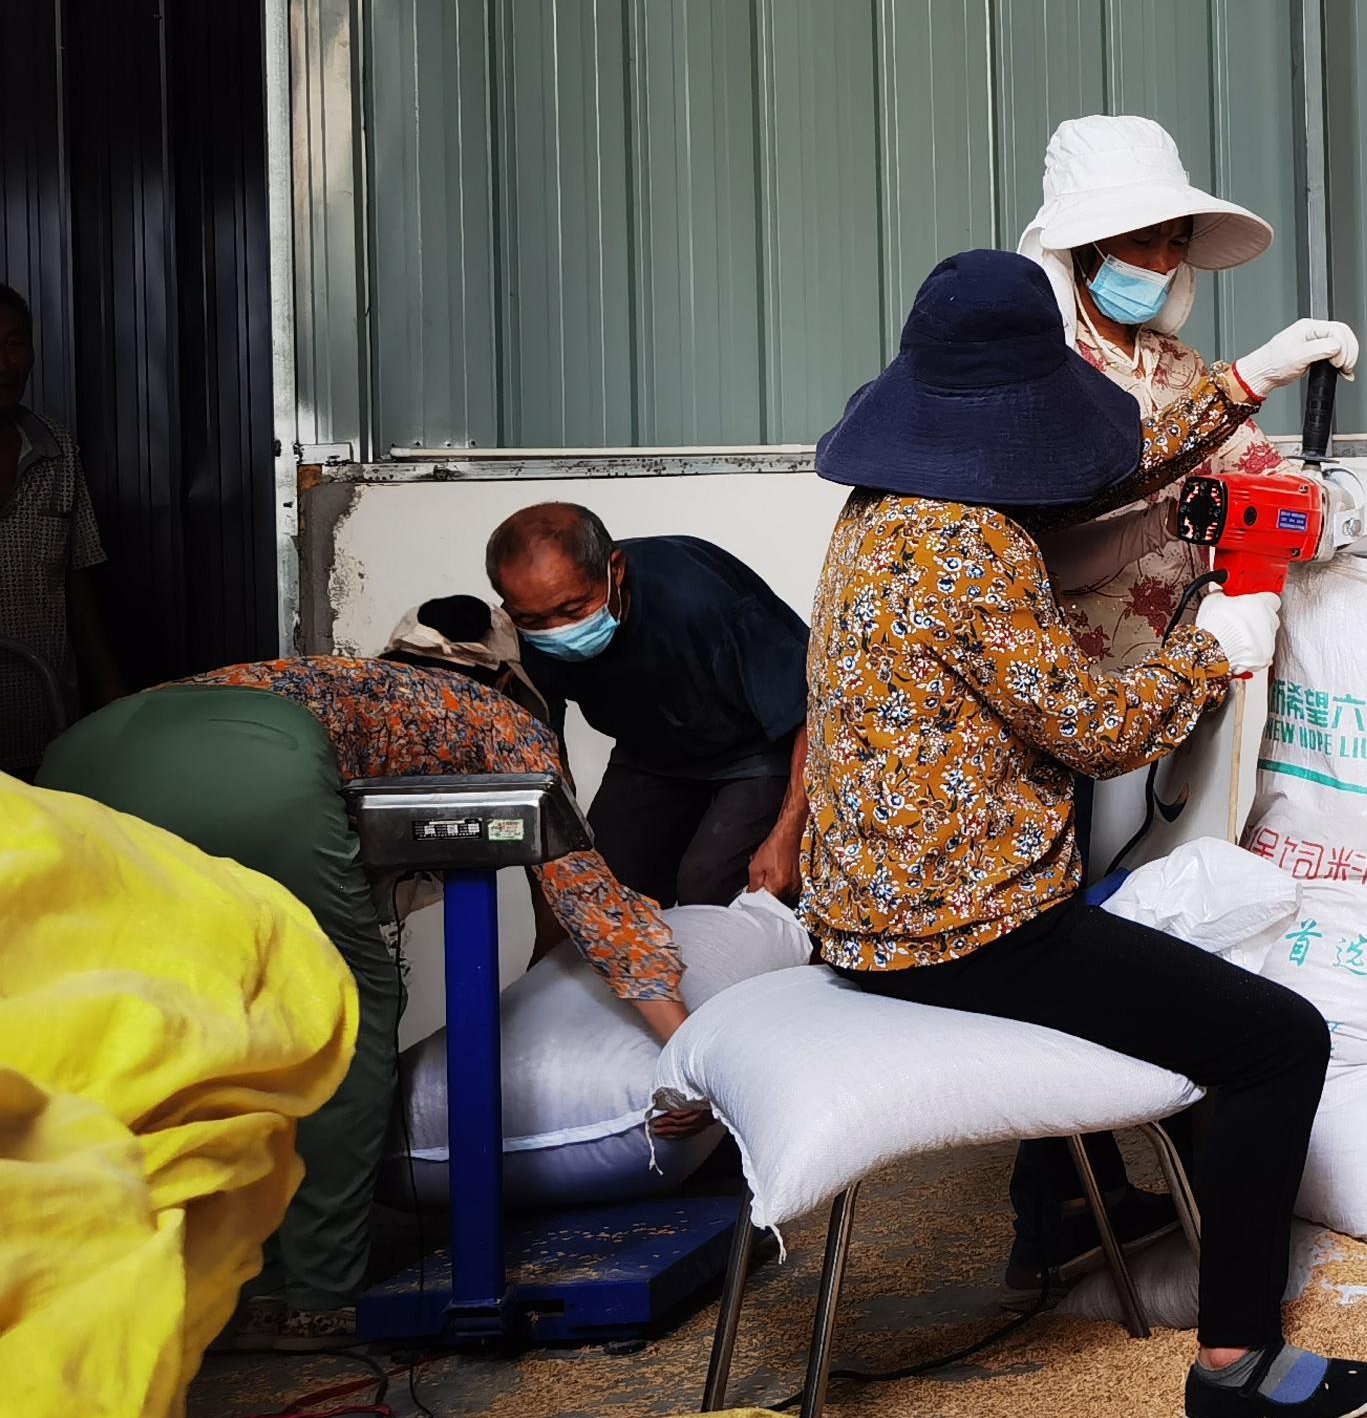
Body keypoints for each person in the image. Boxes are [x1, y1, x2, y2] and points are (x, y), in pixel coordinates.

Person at [800, 248, 1367, 1418]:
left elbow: (1092, 482)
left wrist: (1244, 382)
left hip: (865, 911)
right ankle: (1236, 1366)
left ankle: (1106, 1216)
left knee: (1178, 972)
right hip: (965, 932)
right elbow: (1101, 733)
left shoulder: (883, 512)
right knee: (1278, 1040)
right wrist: (1218, 646)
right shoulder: (971, 550)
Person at [39, 605, 694, 1342]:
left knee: (176, 1019)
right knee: (347, 1003)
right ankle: (317, 1294)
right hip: (246, 760)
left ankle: (188, 1281)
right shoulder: (495, 714)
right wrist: (691, 1062)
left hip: (81, 760)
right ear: (509, 676)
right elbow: (592, 904)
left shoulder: (343, 685)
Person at [1016, 114, 1352, 662]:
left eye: (1177, 242)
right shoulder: (1044, 371)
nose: (1161, 263)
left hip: (1193, 656)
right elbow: (1043, 547)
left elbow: (1262, 474)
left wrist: (1338, 506)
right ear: (1082, 244)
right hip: (1087, 674)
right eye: (1142, 239)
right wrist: (1253, 376)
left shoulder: (1180, 366)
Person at [486, 502, 812, 906]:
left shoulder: (701, 600)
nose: (557, 631)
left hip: (756, 753)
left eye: (573, 610)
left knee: (709, 886)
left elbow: (812, 711)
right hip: (649, 757)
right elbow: (543, 765)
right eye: (534, 621)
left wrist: (789, 832)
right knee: (600, 886)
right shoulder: (521, 636)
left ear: (616, 571)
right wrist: (560, 884)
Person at [0, 282, 125, 777]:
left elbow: (79, 588)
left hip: (46, 724)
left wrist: (113, 700)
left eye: (15, 344)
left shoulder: (56, 450)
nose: (4, 364)